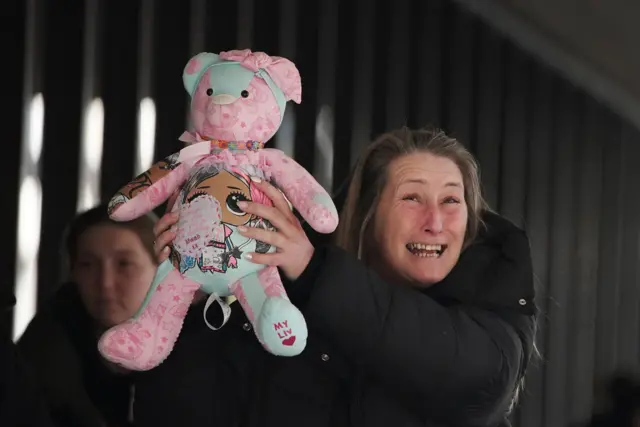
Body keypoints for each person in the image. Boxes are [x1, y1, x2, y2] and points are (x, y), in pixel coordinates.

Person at [151, 126, 538, 426]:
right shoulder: (280, 303)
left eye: (451, 200)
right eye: (411, 198)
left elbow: (472, 381)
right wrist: (190, 303)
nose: (435, 223)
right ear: (368, 216)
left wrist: (316, 270)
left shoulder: (493, 292)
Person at [17, 205, 160, 427]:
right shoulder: (41, 362)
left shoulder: (202, 352)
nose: (105, 283)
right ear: (73, 275)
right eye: (88, 265)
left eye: (124, 264)